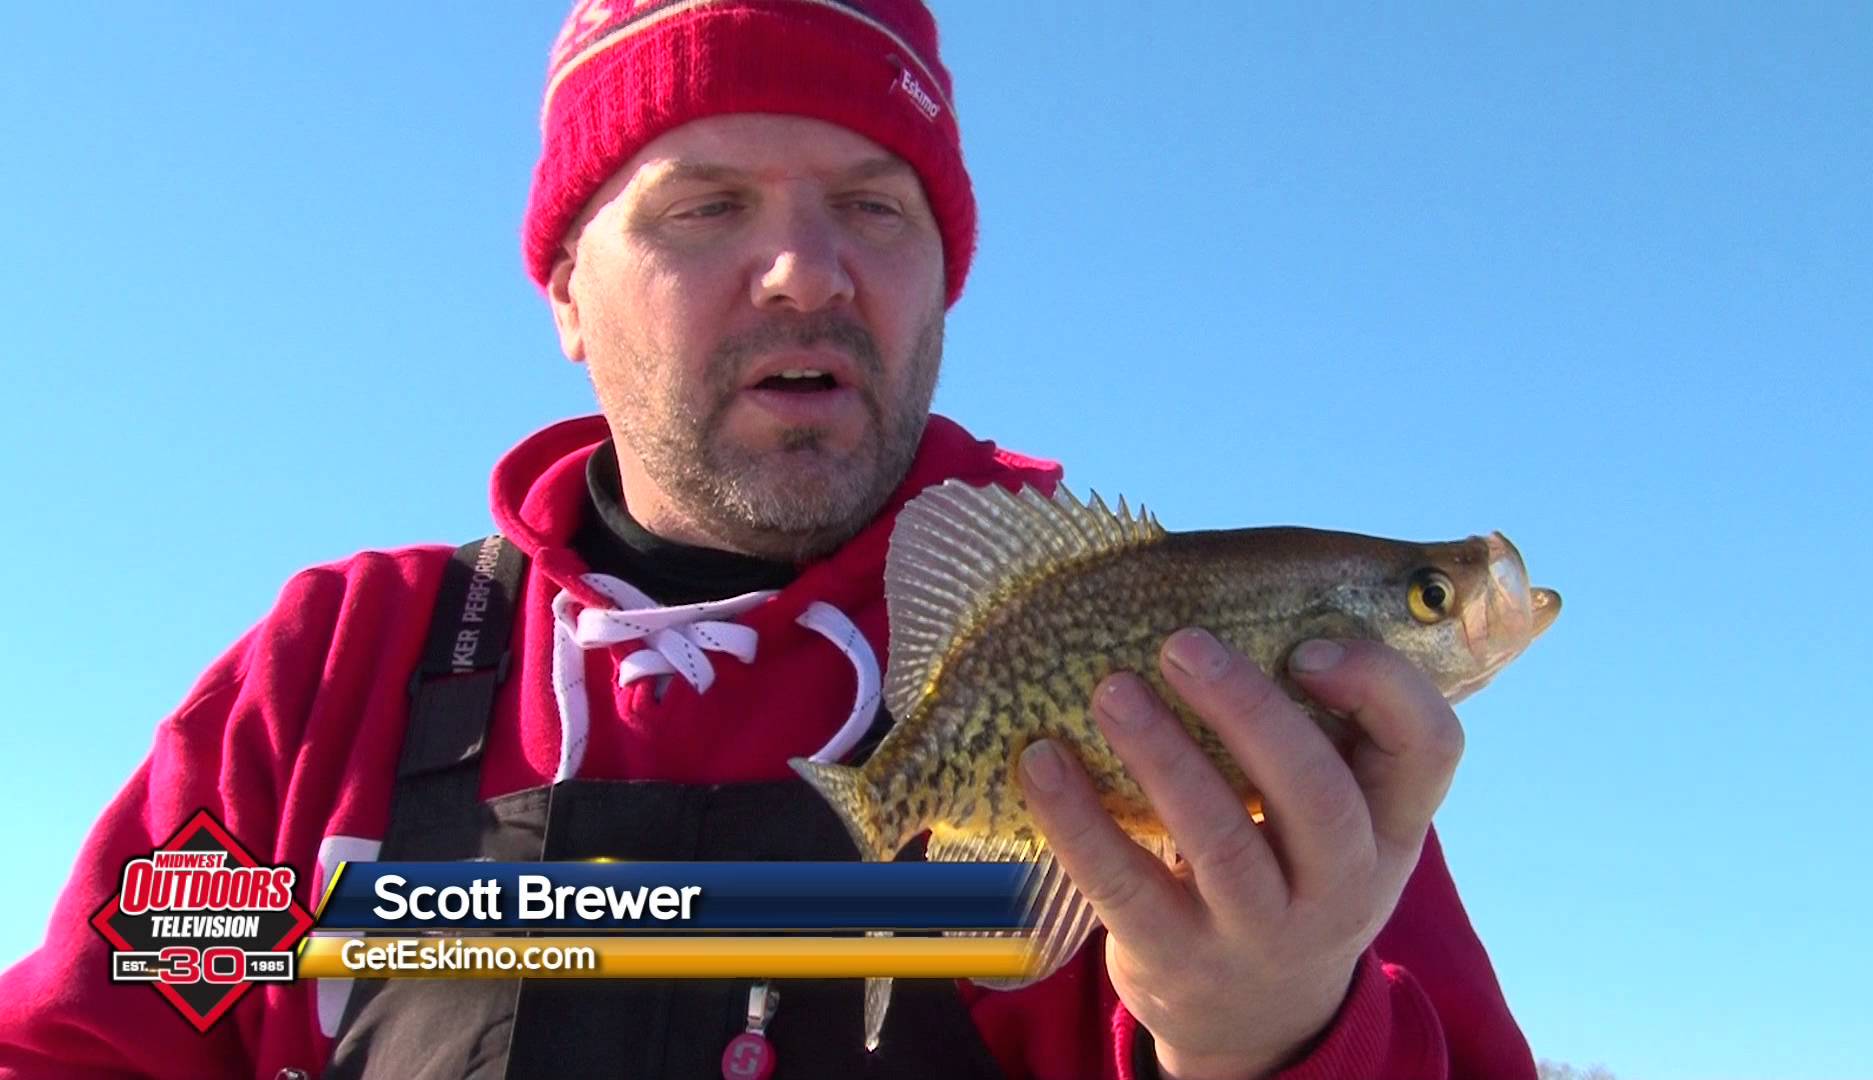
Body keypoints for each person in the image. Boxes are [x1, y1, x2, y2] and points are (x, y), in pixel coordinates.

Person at [0, 2, 1537, 1077]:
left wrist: (1276, 1037)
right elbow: (95, 1031)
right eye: (703, 205)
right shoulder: (332, 674)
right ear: (565, 294)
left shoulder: (1243, 732)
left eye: (877, 207)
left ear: (944, 282)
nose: (805, 271)